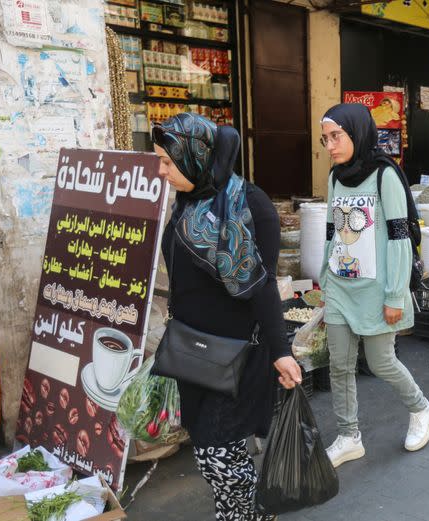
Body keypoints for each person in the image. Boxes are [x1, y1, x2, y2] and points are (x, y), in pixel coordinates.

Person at [152, 113, 302, 521]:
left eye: (168, 161)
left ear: (195, 155)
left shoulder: (251, 206)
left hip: (237, 355)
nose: (162, 171)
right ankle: (236, 513)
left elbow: (264, 286)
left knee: (217, 454)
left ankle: (251, 514)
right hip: (192, 353)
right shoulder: (191, 200)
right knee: (210, 451)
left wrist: (281, 351)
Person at [319, 103, 429, 469]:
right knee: (339, 365)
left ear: (357, 132)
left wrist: (394, 294)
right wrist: (325, 279)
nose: (330, 146)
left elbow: (401, 238)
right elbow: (330, 231)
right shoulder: (335, 177)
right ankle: (348, 436)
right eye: (325, 139)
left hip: (378, 288)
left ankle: (422, 408)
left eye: (336, 136)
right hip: (340, 285)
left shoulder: (385, 175)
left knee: (381, 361)